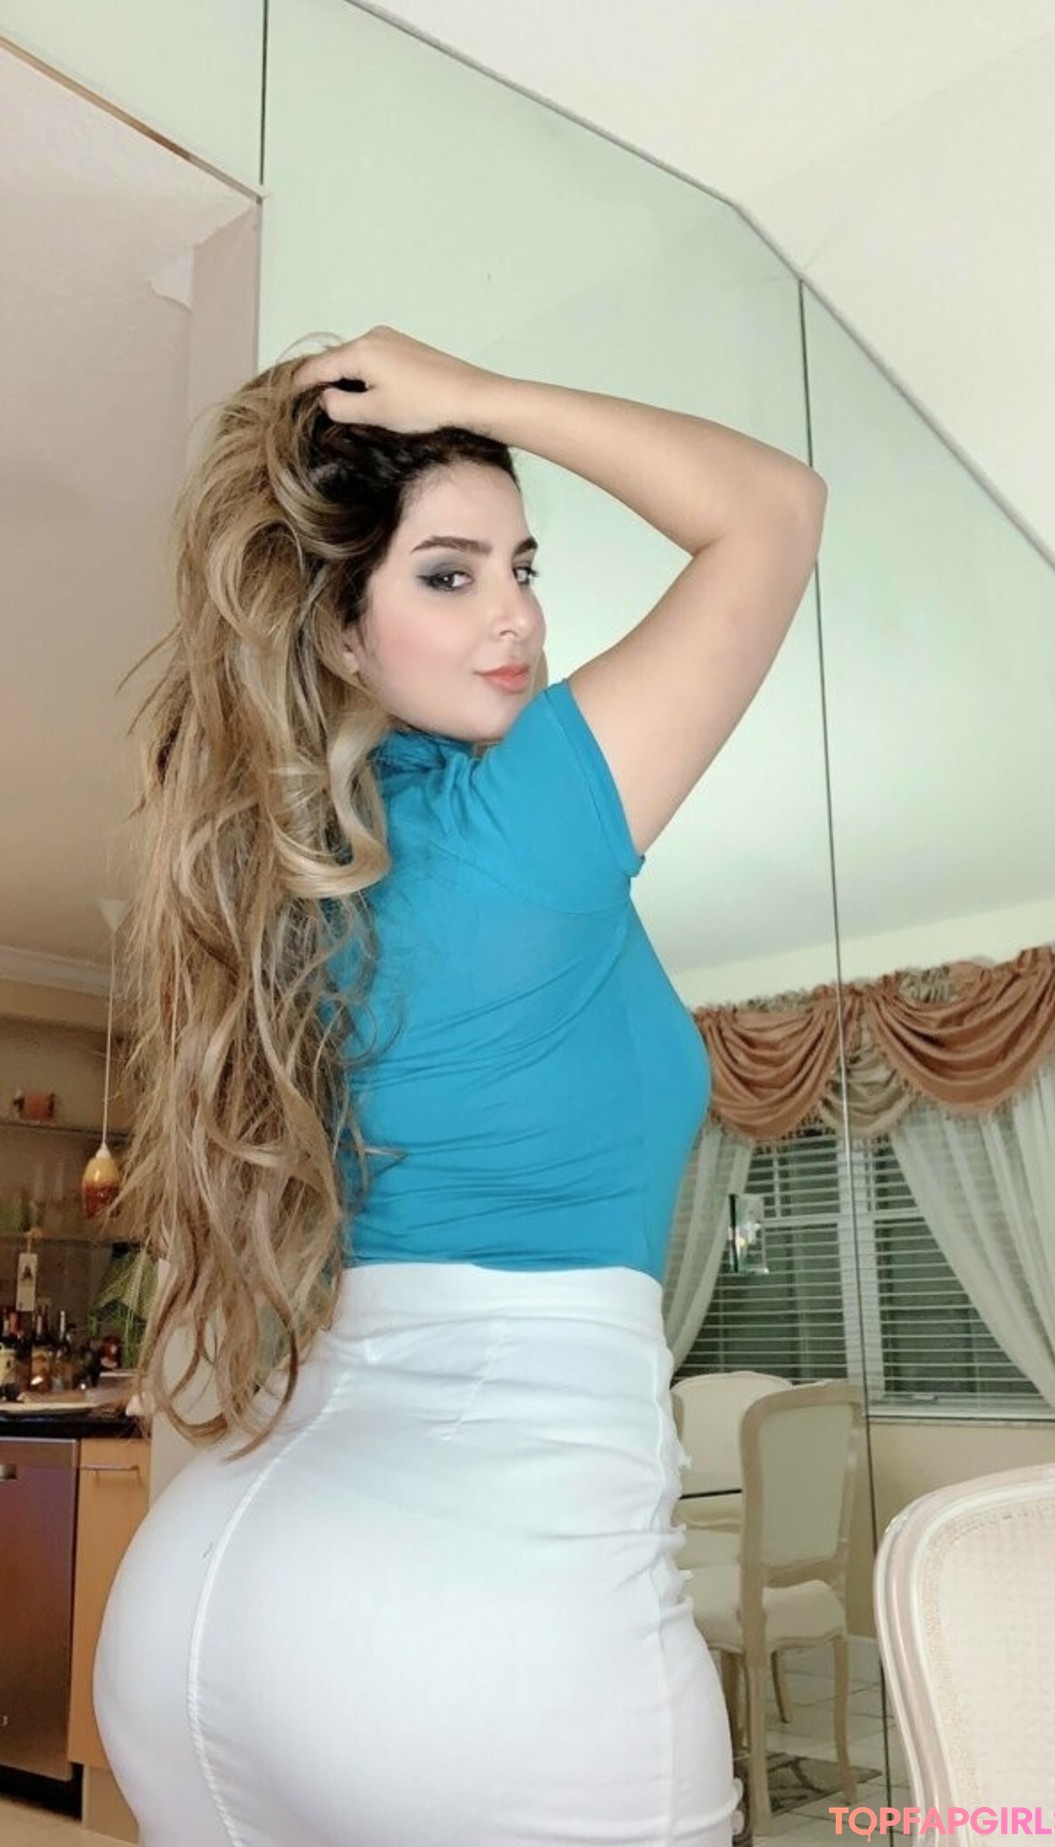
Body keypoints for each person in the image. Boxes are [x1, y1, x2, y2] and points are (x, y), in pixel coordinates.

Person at [93, 325, 826, 1846]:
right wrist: (480, 397)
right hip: (486, 1629)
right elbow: (772, 508)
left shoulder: (288, 884)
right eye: (449, 573)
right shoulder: (522, 827)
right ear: (339, 635)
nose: (519, 616)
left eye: (523, 564)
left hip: (197, 1607)